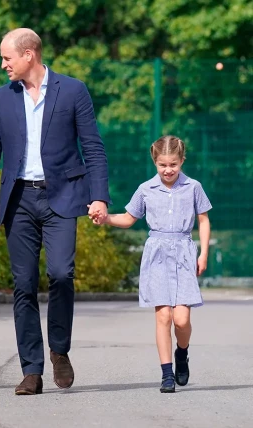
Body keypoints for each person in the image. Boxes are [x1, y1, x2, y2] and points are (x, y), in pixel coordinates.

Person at [0, 28, 111, 395]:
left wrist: (99, 196)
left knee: (62, 274)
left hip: (63, 197)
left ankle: (60, 350)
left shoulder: (73, 90)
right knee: (23, 285)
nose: (3, 65)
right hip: (18, 200)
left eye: (7, 57)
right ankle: (31, 370)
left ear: (29, 55)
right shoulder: (0, 99)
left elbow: (93, 147)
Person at [92, 135, 211, 393]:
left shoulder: (193, 187)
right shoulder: (146, 189)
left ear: (182, 161)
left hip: (183, 253)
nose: (168, 170)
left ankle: (182, 353)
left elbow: (203, 219)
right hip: (156, 254)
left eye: (173, 165)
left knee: (181, 320)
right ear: (155, 162)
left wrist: (202, 254)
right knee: (163, 316)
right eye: (163, 165)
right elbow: (128, 217)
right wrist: (105, 219)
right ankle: (167, 374)